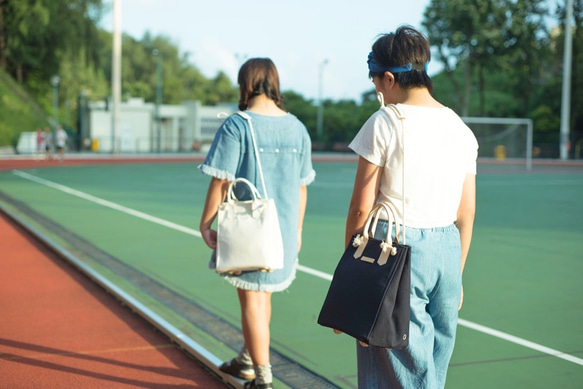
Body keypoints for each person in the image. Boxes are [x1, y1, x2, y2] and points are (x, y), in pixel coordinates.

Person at [341, 26, 478, 388]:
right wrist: (457, 271)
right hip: (447, 250)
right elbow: (466, 213)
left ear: (388, 77)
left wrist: (352, 277)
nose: (376, 89)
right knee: (433, 362)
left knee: (397, 370)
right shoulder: (460, 128)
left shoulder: (386, 121)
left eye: (376, 80)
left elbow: (360, 207)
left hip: (395, 248)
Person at [199, 58, 315, 389]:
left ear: (245, 84)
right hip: (282, 231)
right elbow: (302, 186)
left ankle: (262, 379)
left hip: (249, 229)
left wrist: (206, 222)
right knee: (263, 299)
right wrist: (297, 231)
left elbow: (221, 180)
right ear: (274, 84)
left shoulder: (238, 125)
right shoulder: (298, 127)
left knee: (252, 300)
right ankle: (247, 358)